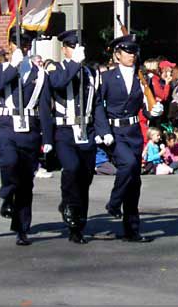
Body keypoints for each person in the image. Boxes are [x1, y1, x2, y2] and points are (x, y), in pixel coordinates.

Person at [0, 28, 54, 246]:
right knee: (9, 161)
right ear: (9, 46)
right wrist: (13, 66)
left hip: (30, 130)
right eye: (18, 45)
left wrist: (48, 139)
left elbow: (44, 108)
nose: (22, 50)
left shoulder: (39, 73)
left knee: (26, 182)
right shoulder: (1, 68)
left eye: (25, 46)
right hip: (6, 126)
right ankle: (7, 192)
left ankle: (21, 228)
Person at [94, 34, 163, 243]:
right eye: (127, 52)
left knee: (135, 181)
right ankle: (114, 203)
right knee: (129, 164)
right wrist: (102, 130)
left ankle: (132, 230)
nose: (131, 56)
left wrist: (155, 112)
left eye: (134, 52)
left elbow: (146, 107)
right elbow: (98, 105)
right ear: (117, 54)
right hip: (114, 133)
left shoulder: (141, 79)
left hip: (134, 132)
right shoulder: (106, 78)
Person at [44, 29, 99, 244]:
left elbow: (96, 105)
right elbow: (58, 83)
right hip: (64, 131)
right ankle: (70, 210)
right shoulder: (55, 69)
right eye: (73, 47)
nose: (77, 51)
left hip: (87, 130)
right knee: (72, 168)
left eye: (80, 47)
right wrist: (75, 63)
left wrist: (103, 132)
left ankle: (79, 222)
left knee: (85, 179)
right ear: (65, 49)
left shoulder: (91, 73)